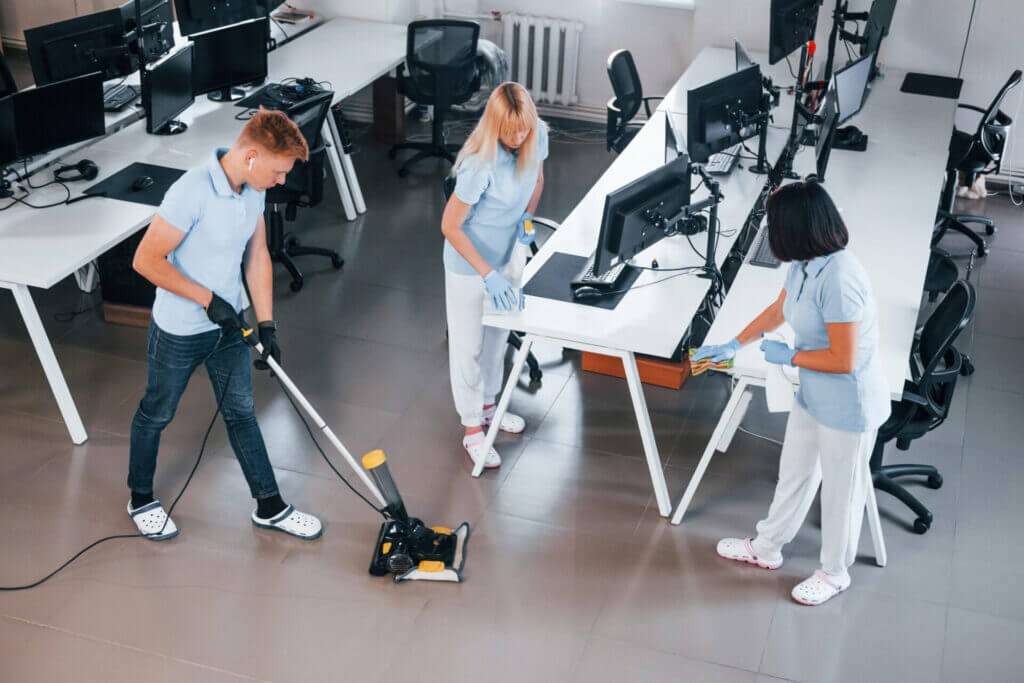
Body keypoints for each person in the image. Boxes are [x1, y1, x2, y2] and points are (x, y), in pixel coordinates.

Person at [692, 179, 890, 606]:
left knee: (840, 492)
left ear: (797, 230)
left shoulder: (840, 279)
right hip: (812, 394)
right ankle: (766, 548)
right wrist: (733, 343)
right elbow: (779, 309)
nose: (770, 232)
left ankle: (835, 573)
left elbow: (845, 360)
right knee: (795, 474)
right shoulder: (804, 264)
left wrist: (790, 357)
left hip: (847, 405)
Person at [127, 110, 322, 542]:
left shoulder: (252, 189)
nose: (281, 182)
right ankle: (140, 498)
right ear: (251, 156)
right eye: (278, 171)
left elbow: (257, 256)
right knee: (157, 413)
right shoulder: (191, 192)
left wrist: (267, 323)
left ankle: (269, 505)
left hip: (230, 325)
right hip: (180, 329)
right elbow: (145, 261)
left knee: (241, 413)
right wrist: (206, 299)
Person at [440, 82, 548, 470]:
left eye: (524, 130)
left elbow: (536, 179)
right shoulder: (479, 164)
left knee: (498, 339)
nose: (519, 138)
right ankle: (472, 428)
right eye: (510, 132)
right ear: (495, 126)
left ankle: (490, 409)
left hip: (507, 255)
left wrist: (527, 222)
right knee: (468, 346)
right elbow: (450, 226)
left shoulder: (537, 136)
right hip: (469, 265)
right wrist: (487, 274)